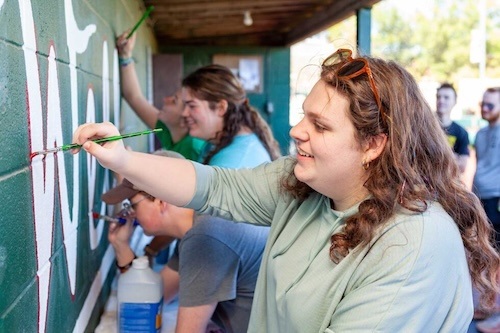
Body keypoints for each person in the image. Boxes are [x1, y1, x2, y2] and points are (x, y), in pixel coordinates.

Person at [73, 49, 499, 332]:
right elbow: (214, 186)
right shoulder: (302, 183)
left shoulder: (411, 245)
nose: (297, 131)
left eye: (320, 125)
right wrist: (122, 159)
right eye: (303, 116)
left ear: (374, 145)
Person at [104, 150, 269, 333]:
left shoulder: (205, 237)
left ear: (160, 200)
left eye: (132, 204)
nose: (131, 214)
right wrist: (122, 247)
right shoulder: (197, 224)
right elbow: (156, 295)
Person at [115, 30, 206, 262]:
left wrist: (149, 252)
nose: (165, 99)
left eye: (174, 101)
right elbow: (134, 96)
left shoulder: (195, 150)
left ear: (187, 116)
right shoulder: (167, 130)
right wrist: (126, 56)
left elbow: (179, 215)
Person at [473, 87, 500, 333]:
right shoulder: (480, 134)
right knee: (487, 255)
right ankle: (489, 305)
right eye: (484, 103)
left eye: (491, 105)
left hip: (498, 199)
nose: (485, 108)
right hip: (481, 200)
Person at [436, 83, 470, 173]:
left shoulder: (461, 132)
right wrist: (453, 157)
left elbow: (462, 167)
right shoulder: (424, 128)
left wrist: (438, 155)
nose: (441, 100)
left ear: (455, 102)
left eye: (446, 97)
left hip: (450, 184)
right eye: (438, 97)